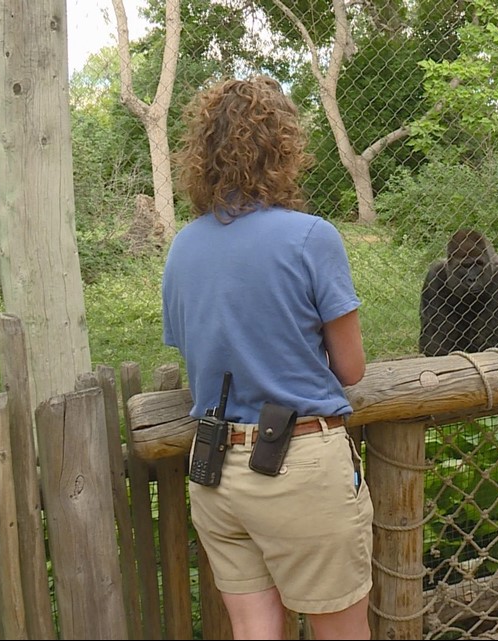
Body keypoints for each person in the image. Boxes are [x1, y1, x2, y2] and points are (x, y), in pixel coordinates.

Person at [161, 75, 372, 640]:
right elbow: (351, 369)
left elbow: (201, 352)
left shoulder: (183, 246)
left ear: (201, 153)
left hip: (216, 471)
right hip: (298, 467)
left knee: (254, 630)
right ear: (284, 148)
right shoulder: (311, 237)